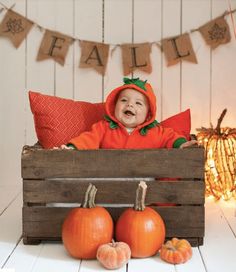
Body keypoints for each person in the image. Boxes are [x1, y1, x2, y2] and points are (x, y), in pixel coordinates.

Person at [61, 78, 197, 150]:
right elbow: (88, 139)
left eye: (138, 103)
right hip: (110, 185)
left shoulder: (155, 132)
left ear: (148, 115)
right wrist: (72, 148)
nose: (130, 104)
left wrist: (181, 143)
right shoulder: (104, 128)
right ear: (115, 106)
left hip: (144, 187)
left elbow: (170, 137)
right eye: (124, 100)